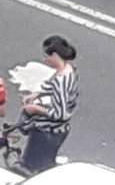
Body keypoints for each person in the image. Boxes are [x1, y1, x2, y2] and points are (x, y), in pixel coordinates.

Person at [19, 35, 79, 173]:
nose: (45, 60)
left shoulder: (61, 81)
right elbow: (51, 87)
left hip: (49, 132)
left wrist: (35, 109)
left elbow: (61, 114)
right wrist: (36, 95)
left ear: (55, 55)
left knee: (31, 168)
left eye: (47, 56)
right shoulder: (69, 70)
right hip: (57, 131)